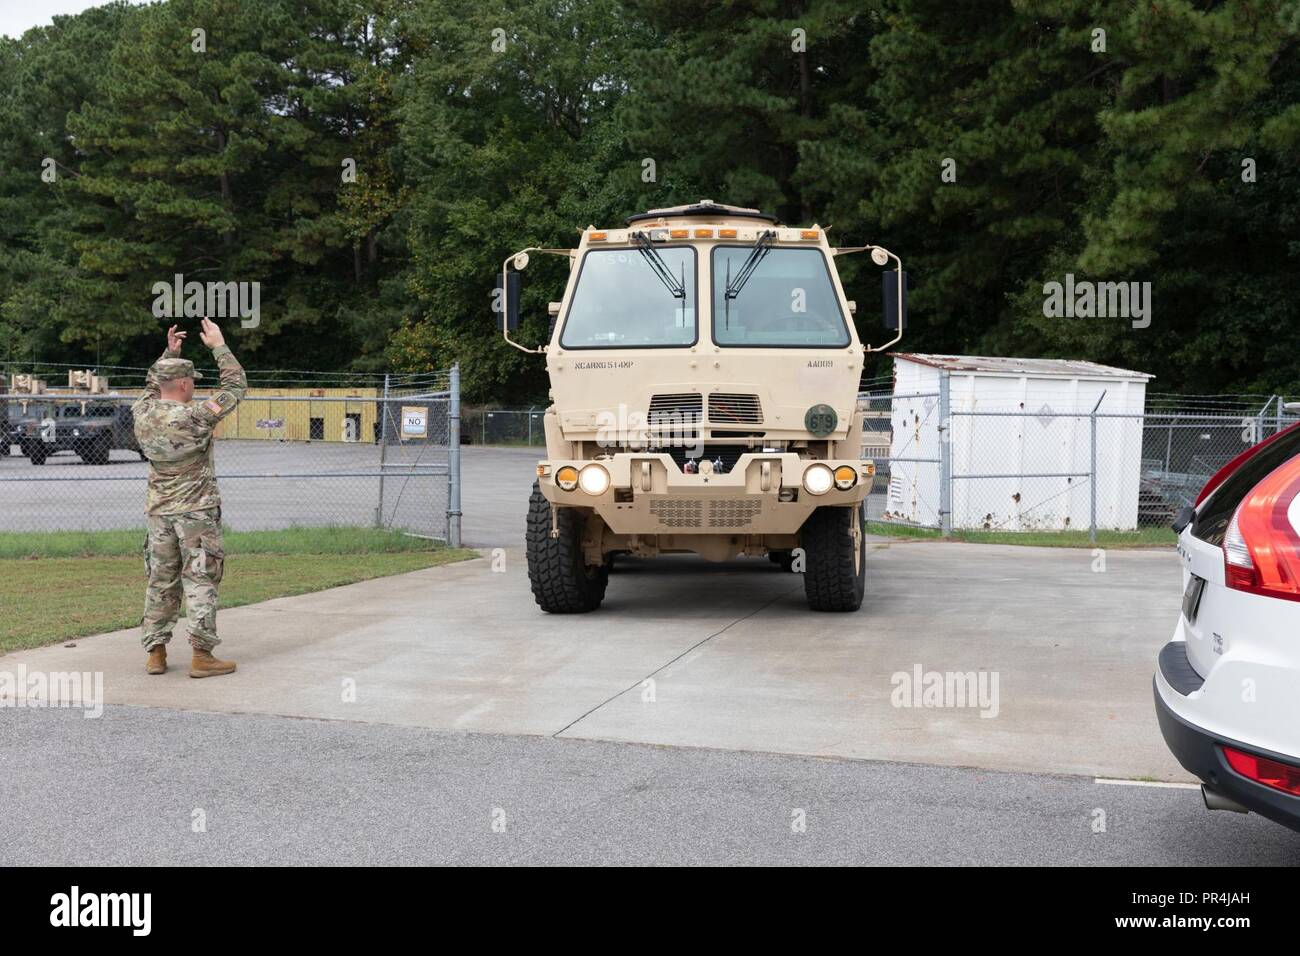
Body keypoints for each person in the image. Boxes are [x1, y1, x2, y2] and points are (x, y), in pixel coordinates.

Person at [132, 319, 247, 677]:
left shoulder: (143, 414)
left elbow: (152, 385)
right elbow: (235, 385)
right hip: (196, 514)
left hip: (159, 514)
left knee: (160, 581)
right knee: (200, 579)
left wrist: (170, 353)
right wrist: (218, 345)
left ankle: (156, 653)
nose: (194, 387)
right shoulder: (197, 417)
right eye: (192, 382)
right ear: (183, 384)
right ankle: (201, 655)